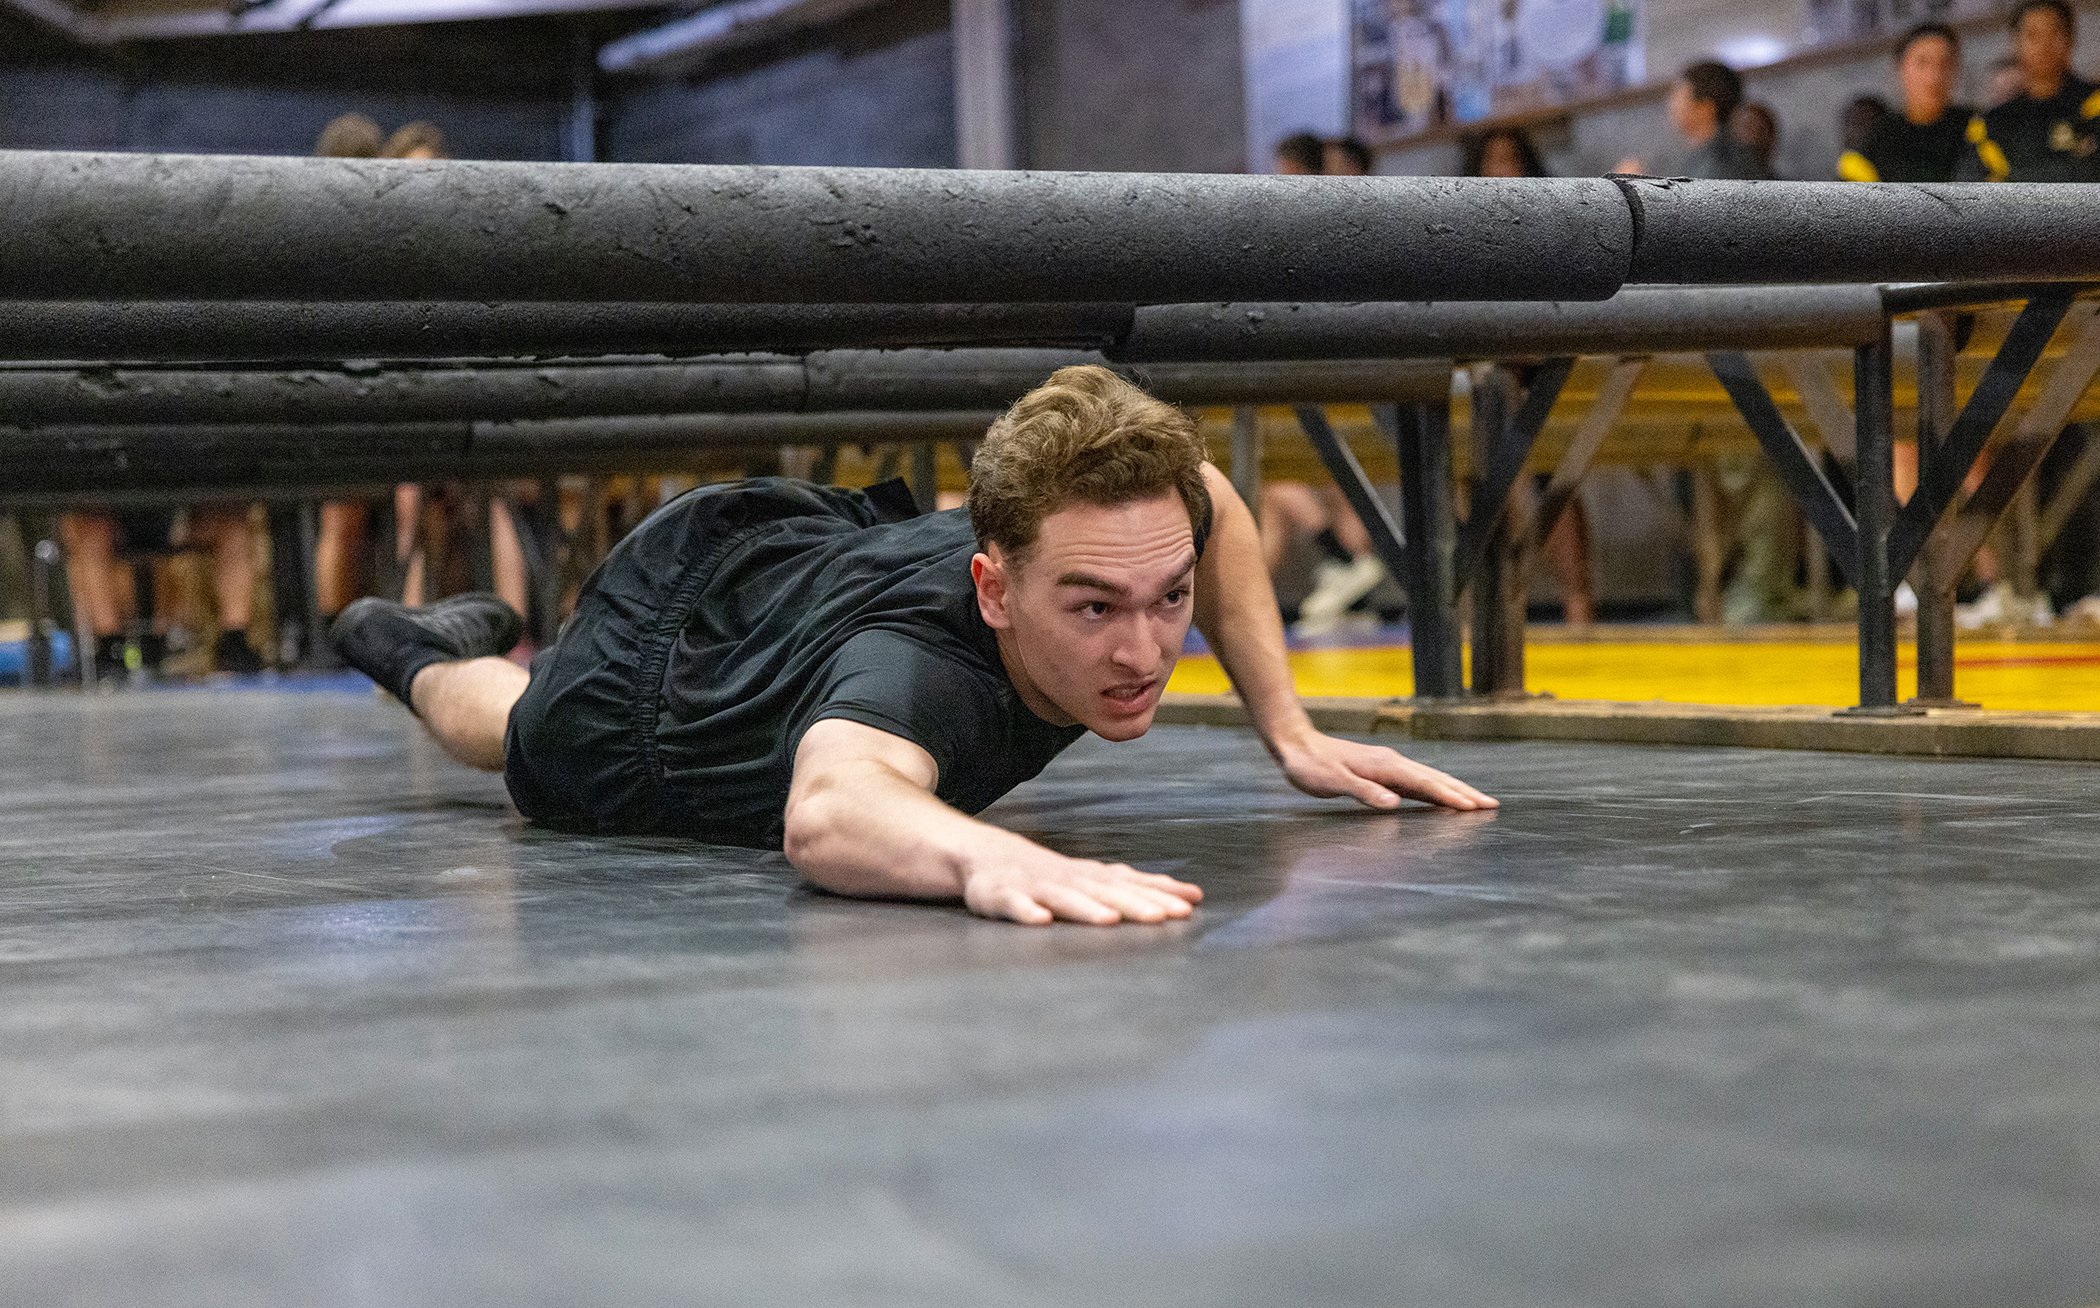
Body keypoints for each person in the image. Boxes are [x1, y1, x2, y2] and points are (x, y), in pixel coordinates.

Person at [329, 367, 1497, 926]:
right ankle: (409, 643)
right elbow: (831, 813)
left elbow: (1210, 501)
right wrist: (984, 858)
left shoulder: (1136, 524)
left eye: (1168, 598)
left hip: (810, 555)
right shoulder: (921, 673)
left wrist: (1284, 729)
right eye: (1093, 608)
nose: (1145, 650)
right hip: (667, 678)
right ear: (994, 589)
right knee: (508, 734)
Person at [62, 506, 267, 680]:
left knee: (234, 522)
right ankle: (110, 648)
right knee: (91, 529)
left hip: (182, 516)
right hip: (118, 519)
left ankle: (235, 642)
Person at [1964, 0, 2100, 183]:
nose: (2044, 44)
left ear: (2071, 38)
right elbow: (1972, 192)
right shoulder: (1990, 124)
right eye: (2032, 35)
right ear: (2015, 43)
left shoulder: (2094, 106)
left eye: (2054, 32)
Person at [1838, 24, 1985, 182]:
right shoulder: (1875, 142)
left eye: (1945, 63)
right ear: (1899, 68)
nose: (1934, 76)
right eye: (1922, 62)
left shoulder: (1977, 129)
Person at [1617, 60, 1774, 180]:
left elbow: (1692, 219)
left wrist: (1635, 192)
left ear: (1705, 108)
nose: (1670, 104)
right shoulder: (1724, 155)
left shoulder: (1718, 166)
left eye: (1677, 95)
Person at [1730, 102, 1781, 177]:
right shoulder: (1720, 168)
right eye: (1744, 127)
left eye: (1751, 127)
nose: (1745, 132)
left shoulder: (1772, 180)